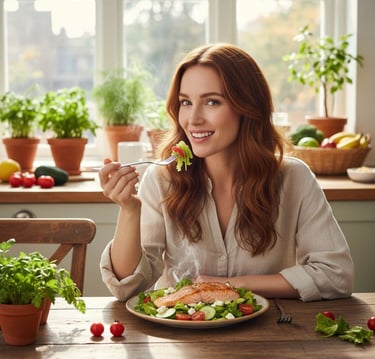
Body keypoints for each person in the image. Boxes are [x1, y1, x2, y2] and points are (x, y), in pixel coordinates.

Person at [99, 43, 354, 303]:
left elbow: (336, 275)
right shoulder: (162, 179)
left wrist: (233, 285)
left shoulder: (293, 178)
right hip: (180, 338)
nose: (193, 119)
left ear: (248, 108)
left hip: (270, 336)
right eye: (186, 102)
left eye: (212, 101)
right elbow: (126, 288)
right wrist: (129, 210)